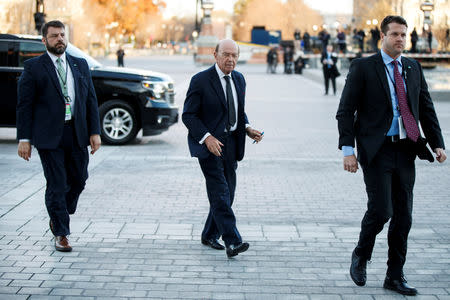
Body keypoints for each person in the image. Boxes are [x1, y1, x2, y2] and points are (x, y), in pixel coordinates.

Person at [336, 15, 446, 296]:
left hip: (406, 148)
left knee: (404, 217)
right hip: (377, 150)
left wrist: (437, 143)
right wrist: (348, 151)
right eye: (394, 34)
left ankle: (394, 276)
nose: (400, 39)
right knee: (382, 209)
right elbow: (346, 111)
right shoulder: (363, 67)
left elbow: (426, 107)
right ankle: (362, 253)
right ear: (382, 37)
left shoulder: (412, 67)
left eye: (403, 35)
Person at [16, 20, 101, 252]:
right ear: (44, 41)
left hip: (76, 133)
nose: (59, 39)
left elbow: (90, 100)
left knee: (79, 179)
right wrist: (24, 139)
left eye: (62, 35)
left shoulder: (80, 64)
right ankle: (61, 233)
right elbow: (24, 106)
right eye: (54, 36)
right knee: (56, 184)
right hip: (48, 136)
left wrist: (95, 132)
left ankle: (59, 211)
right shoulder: (34, 67)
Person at [182, 39, 263, 258]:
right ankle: (233, 241)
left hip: (232, 144)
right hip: (209, 147)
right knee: (220, 193)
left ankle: (209, 234)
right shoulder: (200, 80)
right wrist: (206, 137)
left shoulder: (239, 79)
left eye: (234, 55)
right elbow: (188, 115)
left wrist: (247, 128)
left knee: (228, 194)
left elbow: (237, 109)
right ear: (215, 54)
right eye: (226, 54)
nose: (231, 59)